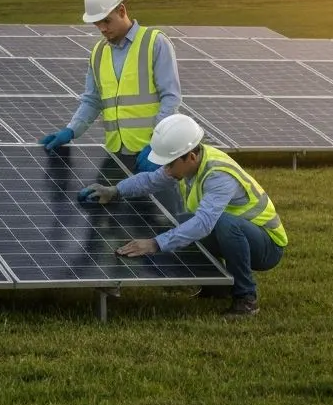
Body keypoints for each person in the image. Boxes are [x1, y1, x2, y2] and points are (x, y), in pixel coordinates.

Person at [82, 113, 287, 317]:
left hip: (267, 245)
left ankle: (246, 299)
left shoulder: (218, 175)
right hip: (238, 234)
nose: (167, 170)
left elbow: (204, 224)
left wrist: (155, 243)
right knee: (182, 222)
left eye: (170, 163)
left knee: (220, 224)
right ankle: (216, 288)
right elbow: (151, 180)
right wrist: (114, 191)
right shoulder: (189, 163)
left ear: (190, 157)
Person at [39, 0, 181, 172]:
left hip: (153, 154)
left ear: (122, 11)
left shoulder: (154, 43)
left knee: (157, 203)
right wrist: (71, 130)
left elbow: (171, 98)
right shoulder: (98, 53)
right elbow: (92, 100)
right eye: (97, 23)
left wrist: (158, 144)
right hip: (116, 153)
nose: (103, 28)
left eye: (107, 21)